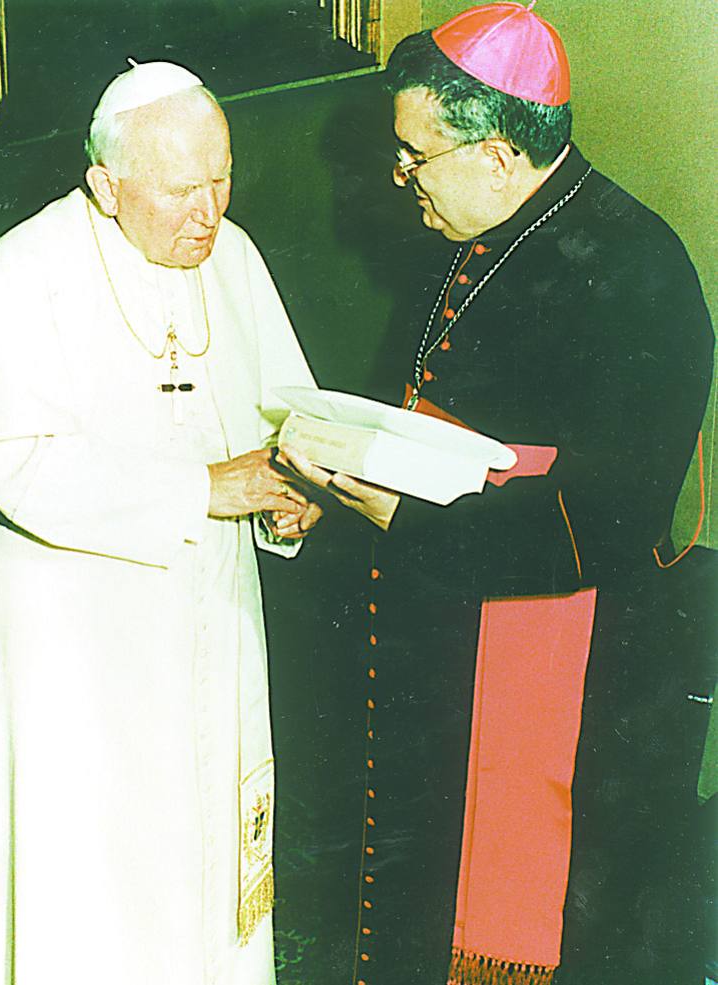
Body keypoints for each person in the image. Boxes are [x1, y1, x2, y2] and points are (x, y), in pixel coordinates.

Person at [284, 4, 714, 983]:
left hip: (569, 666)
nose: (400, 180)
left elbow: (609, 515)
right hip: (451, 640)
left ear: (495, 153)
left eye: (414, 156)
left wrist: (406, 518)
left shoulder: (636, 269)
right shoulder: (478, 235)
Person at [0, 60, 321, 985]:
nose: (210, 212)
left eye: (222, 178)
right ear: (107, 186)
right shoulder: (24, 269)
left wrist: (293, 497)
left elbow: (283, 419)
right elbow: (20, 468)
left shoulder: (236, 258)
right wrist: (203, 492)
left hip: (211, 611)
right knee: (96, 877)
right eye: (182, 190)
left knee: (209, 859)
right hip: (72, 633)